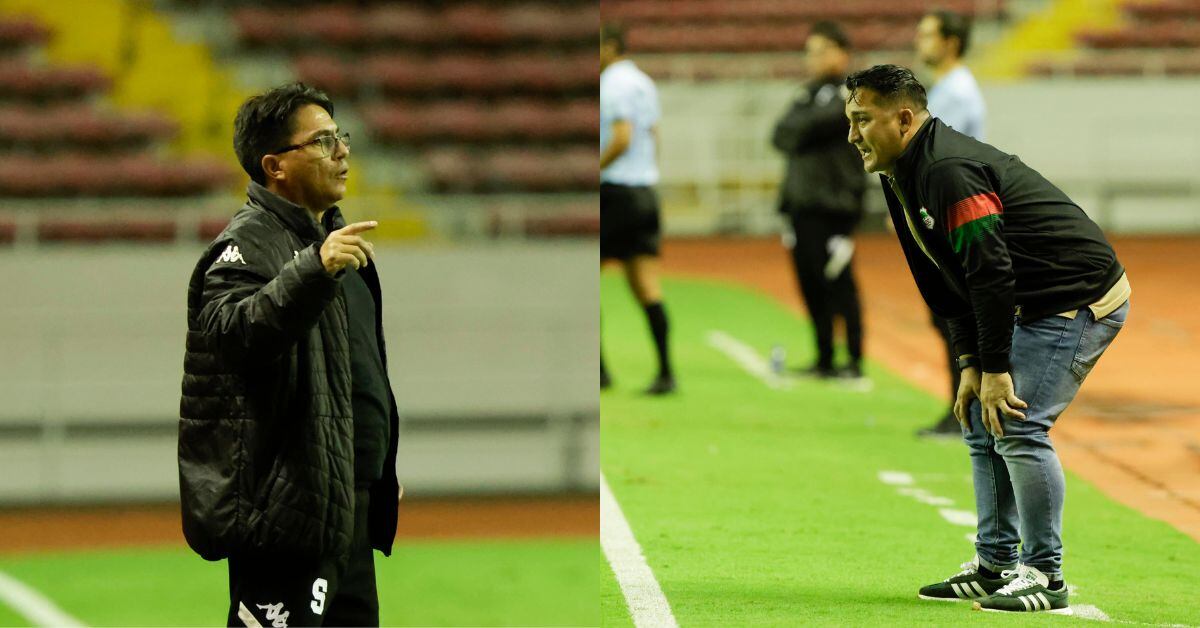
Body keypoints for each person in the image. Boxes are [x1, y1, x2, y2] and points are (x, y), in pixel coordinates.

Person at [844, 65, 1130, 614]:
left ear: (904, 119)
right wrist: (972, 362)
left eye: (861, 120)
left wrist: (997, 367)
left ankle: (1046, 576)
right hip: (1031, 299)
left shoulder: (948, 170)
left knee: (1019, 422)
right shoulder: (898, 169)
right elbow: (939, 274)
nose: (852, 136)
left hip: (1077, 299)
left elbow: (989, 272)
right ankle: (996, 564)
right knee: (981, 416)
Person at [179, 82, 401, 626]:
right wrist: (313, 270)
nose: (343, 151)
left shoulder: (335, 238)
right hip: (283, 512)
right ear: (275, 165)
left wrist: (375, 466)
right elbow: (234, 336)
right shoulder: (246, 246)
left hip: (344, 501)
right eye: (322, 141)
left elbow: (355, 371)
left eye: (339, 136)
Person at [771, 21, 866, 379]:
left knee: (839, 281)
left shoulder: (852, 94)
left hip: (834, 206)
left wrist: (803, 128)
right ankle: (824, 357)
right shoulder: (806, 95)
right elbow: (780, 135)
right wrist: (804, 128)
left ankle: (854, 359)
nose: (813, 59)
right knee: (809, 282)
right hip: (800, 205)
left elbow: (808, 127)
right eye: (810, 51)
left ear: (843, 53)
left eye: (822, 50)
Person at [914, 9, 990, 436]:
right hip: (947, 214)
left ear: (951, 42)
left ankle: (968, 409)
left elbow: (944, 163)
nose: (919, 41)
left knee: (956, 315)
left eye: (928, 34)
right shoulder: (948, 88)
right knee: (948, 315)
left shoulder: (956, 93)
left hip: (952, 217)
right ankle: (964, 407)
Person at [600, 23, 675, 395]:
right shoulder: (644, 82)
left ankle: (598, 372)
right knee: (646, 284)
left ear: (610, 47)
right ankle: (666, 372)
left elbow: (622, 136)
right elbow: (653, 135)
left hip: (614, 192)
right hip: (644, 190)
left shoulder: (611, 84)